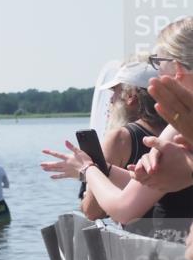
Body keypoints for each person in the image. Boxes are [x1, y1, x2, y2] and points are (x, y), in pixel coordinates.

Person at [42, 17, 193, 243]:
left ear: (177, 70)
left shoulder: (177, 127)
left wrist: (88, 169)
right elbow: (155, 187)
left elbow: (123, 208)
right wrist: (105, 169)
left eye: (158, 63)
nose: (157, 74)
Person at [79, 59, 165, 221]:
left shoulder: (120, 139)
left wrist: (86, 171)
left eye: (115, 92)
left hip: (139, 241)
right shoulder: (180, 132)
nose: (111, 100)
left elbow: (93, 211)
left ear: (131, 96)